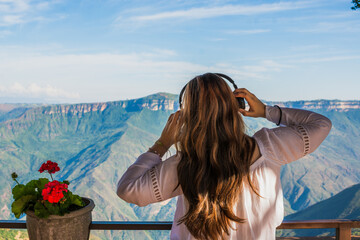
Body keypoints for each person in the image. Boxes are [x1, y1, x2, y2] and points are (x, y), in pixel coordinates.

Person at [116, 73, 332, 240]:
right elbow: (321, 125)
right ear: (236, 107)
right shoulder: (271, 148)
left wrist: (162, 144)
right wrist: (267, 110)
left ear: (187, 118)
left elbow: (127, 190)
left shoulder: (184, 165)